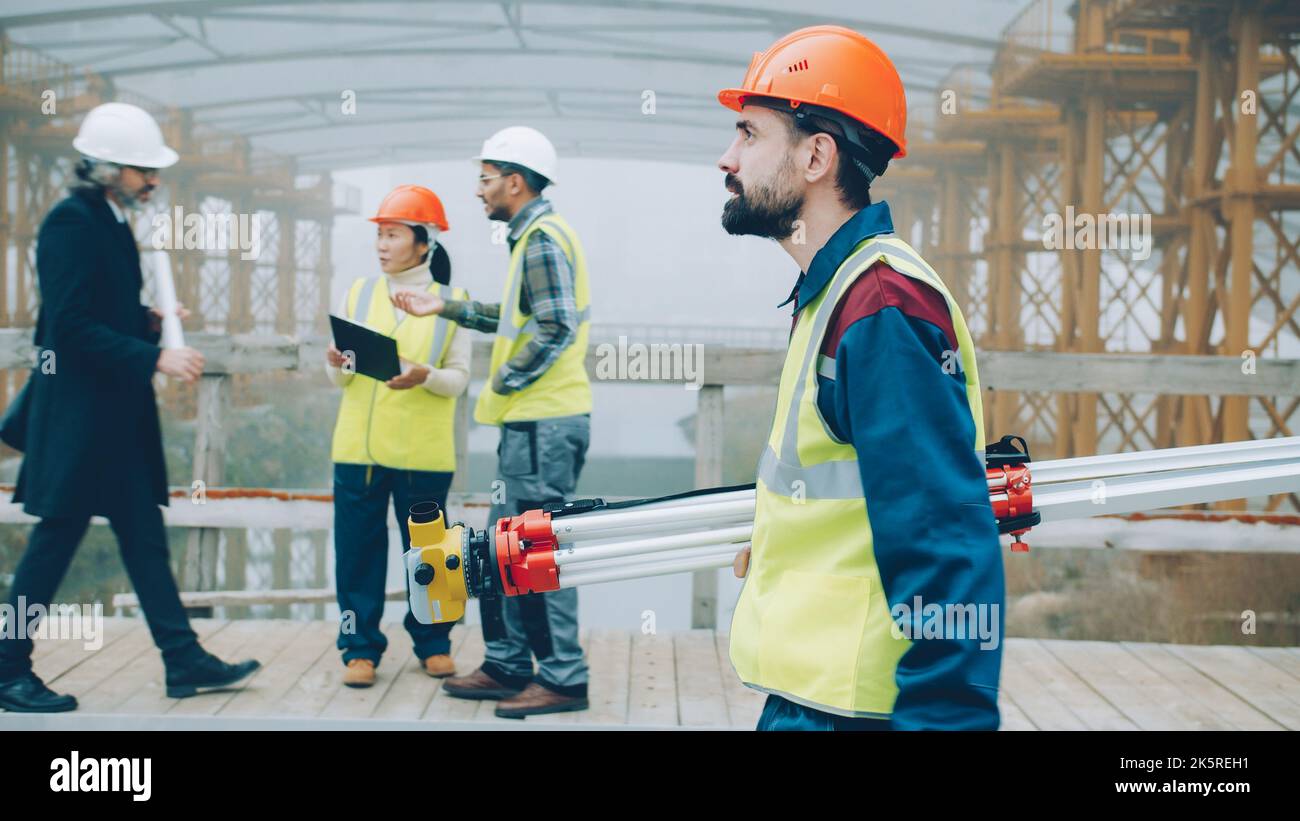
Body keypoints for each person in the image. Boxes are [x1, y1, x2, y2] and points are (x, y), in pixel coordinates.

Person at [714, 26, 1005, 730]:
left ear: (816, 155)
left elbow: (944, 538)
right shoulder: (839, 289)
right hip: (819, 697)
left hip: (859, 712)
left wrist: (944, 721)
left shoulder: (881, 307)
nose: (727, 158)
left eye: (749, 133)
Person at [0, 102, 259, 712]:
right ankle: (7, 669)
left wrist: (149, 322)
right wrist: (156, 357)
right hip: (80, 418)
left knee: (143, 537)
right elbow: (67, 327)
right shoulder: (70, 223)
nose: (154, 182)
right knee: (54, 542)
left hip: (111, 420)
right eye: (144, 171)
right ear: (108, 168)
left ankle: (182, 657)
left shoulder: (109, 220)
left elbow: (98, 313)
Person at [391, 126, 591, 719]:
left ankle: (563, 677)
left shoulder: (541, 240)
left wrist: (505, 379)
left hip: (542, 425)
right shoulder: (531, 237)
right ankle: (508, 665)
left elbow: (555, 326)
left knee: (533, 550)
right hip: (531, 427)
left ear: (515, 182)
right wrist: (445, 305)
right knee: (506, 548)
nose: (478, 190)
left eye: (485, 179)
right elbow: (514, 317)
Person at [326, 185, 470, 688]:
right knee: (357, 555)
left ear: (423, 242)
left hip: (422, 453)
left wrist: (424, 376)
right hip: (358, 449)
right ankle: (359, 649)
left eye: (392, 235)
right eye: (380, 235)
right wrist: (339, 363)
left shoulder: (453, 303)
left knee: (431, 555)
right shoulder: (358, 293)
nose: (382, 245)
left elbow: (459, 380)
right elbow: (339, 379)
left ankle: (435, 644)